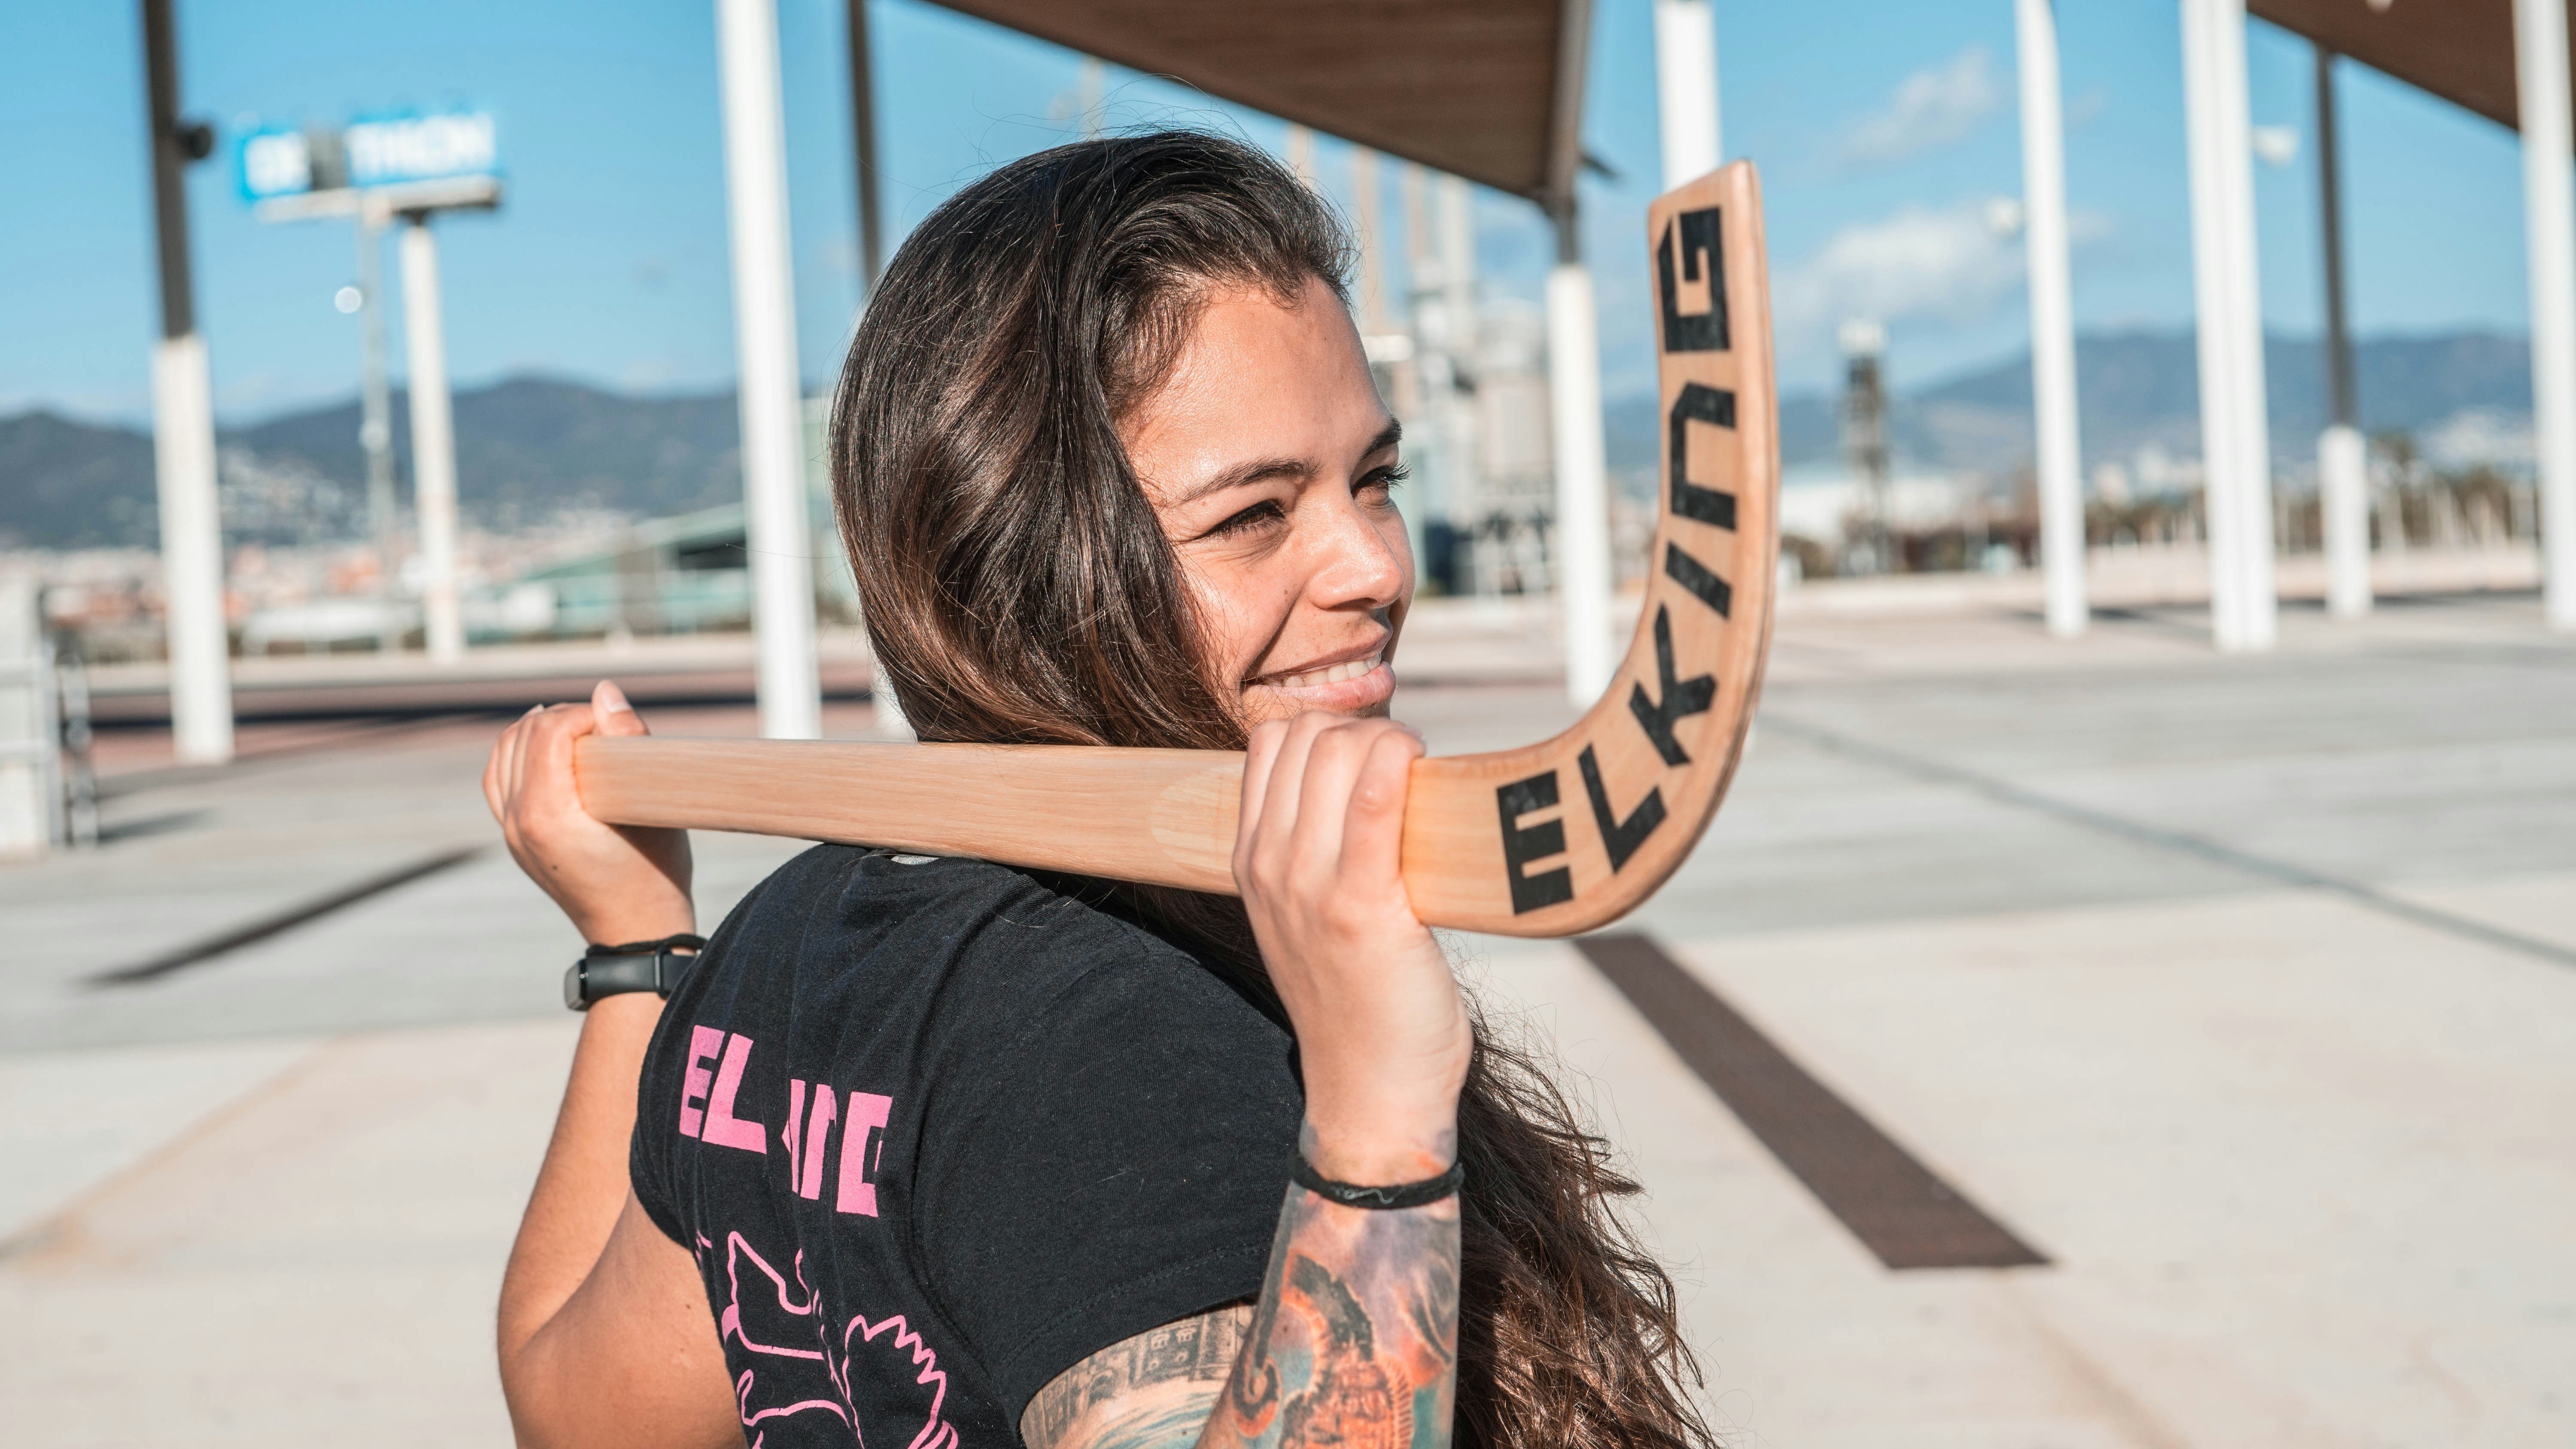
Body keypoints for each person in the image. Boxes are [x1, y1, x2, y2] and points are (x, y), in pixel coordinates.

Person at [483, 131, 1711, 1449]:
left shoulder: (795, 940)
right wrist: (1375, 1118)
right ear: (1021, 560)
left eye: (1375, 481)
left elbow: (583, 1410)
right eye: (1255, 514)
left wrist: (636, 949)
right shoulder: (1121, 1030)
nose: (1374, 567)